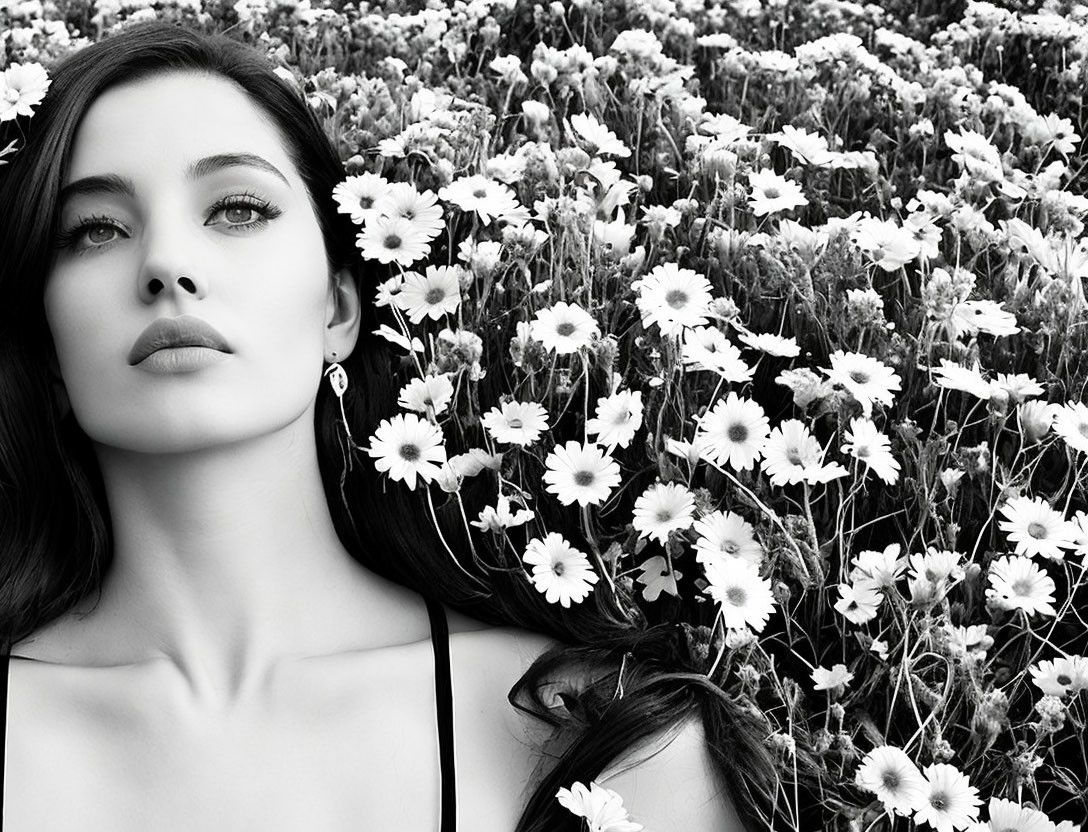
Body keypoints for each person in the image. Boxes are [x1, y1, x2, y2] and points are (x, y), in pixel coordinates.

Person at [0, 22, 773, 831]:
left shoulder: (597, 740)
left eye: (235, 208)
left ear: (338, 308)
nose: (165, 262)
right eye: (95, 229)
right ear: (47, 348)